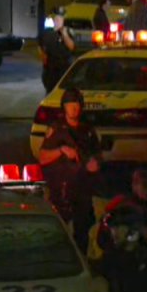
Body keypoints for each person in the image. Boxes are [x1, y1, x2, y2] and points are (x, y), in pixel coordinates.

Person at [39, 87, 105, 254]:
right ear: (64, 107)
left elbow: (97, 153)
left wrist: (95, 163)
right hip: (62, 189)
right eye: (70, 104)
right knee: (58, 232)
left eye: (76, 104)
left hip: (82, 189)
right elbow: (43, 156)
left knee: (82, 232)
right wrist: (61, 150)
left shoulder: (87, 130)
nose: (74, 108)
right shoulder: (57, 129)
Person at [100, 168, 147, 252]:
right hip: (123, 242)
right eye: (144, 184)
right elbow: (106, 219)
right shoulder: (123, 200)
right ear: (134, 186)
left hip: (145, 243)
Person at [38, 11, 75, 93]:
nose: (58, 22)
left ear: (63, 21)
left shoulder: (67, 32)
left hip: (64, 66)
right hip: (50, 68)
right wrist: (44, 59)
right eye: (56, 20)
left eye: (60, 20)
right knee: (50, 91)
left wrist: (64, 34)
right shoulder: (47, 33)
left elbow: (71, 47)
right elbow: (41, 47)